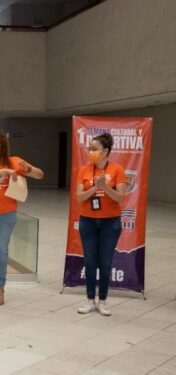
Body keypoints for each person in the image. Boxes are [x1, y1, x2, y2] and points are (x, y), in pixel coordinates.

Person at [0, 130, 44, 306]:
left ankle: (1, 288)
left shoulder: (14, 161)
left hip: (7, 213)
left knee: (3, 250)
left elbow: (39, 174)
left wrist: (27, 169)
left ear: (2, 144)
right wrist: (4, 171)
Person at [75, 133, 126, 317]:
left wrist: (105, 187)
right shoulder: (84, 170)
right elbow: (79, 197)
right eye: (89, 149)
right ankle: (90, 300)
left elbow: (120, 198)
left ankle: (103, 300)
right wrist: (95, 188)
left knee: (105, 262)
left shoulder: (118, 169)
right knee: (89, 261)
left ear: (105, 151)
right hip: (87, 220)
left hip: (110, 222)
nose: (91, 152)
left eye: (94, 149)